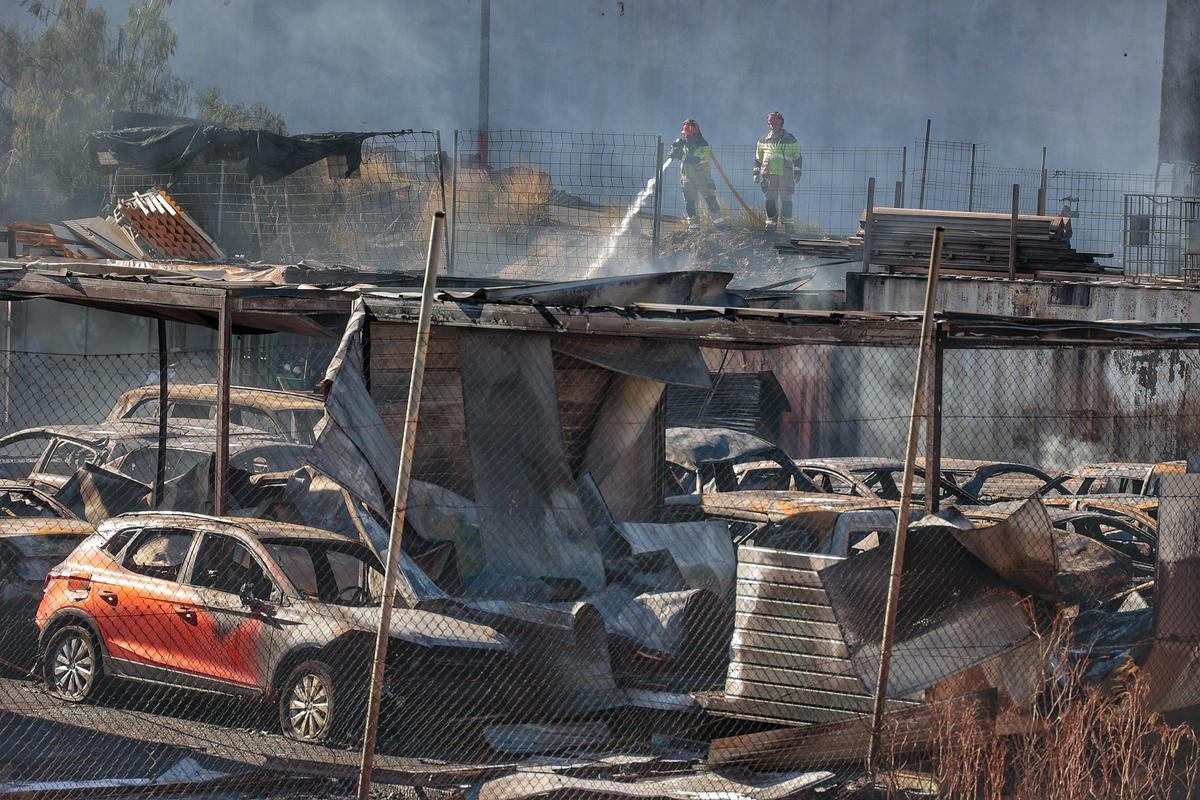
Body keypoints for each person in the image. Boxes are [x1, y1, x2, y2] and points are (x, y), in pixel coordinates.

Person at [670, 119, 724, 231]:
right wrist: (675, 147)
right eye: (685, 135)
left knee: (710, 199)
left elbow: (695, 160)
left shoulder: (703, 145)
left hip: (702, 177)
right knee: (690, 202)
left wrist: (680, 156)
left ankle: (719, 224)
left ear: (695, 134)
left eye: (689, 135)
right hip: (687, 178)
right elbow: (680, 151)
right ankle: (694, 226)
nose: (687, 137)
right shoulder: (685, 144)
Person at [754, 111, 802, 233]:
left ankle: (788, 225)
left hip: (785, 174)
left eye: (775, 124)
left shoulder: (790, 139)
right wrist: (756, 173)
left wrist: (797, 172)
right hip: (769, 174)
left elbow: (797, 157)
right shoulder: (763, 140)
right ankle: (771, 224)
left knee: (786, 199)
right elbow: (758, 159)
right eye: (770, 124)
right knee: (770, 199)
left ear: (781, 123)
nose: (772, 126)